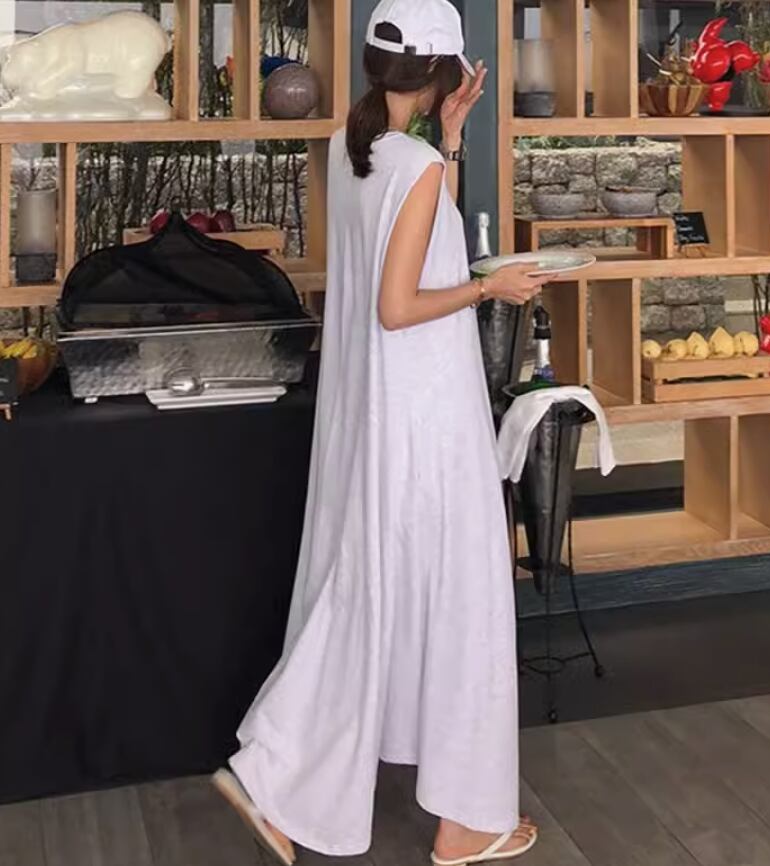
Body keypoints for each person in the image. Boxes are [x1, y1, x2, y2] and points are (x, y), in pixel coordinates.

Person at [213, 0, 544, 863]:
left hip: (372, 412)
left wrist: (452, 140)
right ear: (441, 72)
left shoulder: (352, 147)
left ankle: (290, 782)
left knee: (376, 587)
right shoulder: (412, 166)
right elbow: (401, 305)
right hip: (426, 413)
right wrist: (493, 287)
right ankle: (453, 817)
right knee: (460, 595)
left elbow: (412, 248)